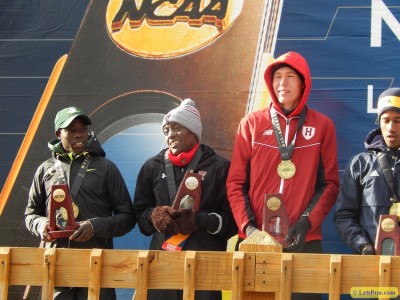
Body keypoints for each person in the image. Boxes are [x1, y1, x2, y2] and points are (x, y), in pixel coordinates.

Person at [226, 51, 339, 298]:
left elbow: (329, 184)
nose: (282, 83)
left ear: (303, 83)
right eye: (277, 76)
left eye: (290, 76)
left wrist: (307, 221)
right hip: (255, 241)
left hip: (303, 240)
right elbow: (235, 183)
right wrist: (249, 228)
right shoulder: (251, 124)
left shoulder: (322, 126)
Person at [25, 106, 136, 299]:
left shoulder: (106, 168)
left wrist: (95, 226)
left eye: (83, 129)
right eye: (72, 130)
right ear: (59, 134)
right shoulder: (45, 169)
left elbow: (127, 217)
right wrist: (40, 224)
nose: (79, 135)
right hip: (56, 266)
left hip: (96, 265)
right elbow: (31, 214)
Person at [133, 98, 237, 300]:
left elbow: (232, 222)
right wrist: (155, 216)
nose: (170, 135)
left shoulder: (220, 167)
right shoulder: (152, 167)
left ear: (193, 131)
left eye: (176, 128)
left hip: (204, 268)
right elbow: (139, 217)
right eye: (166, 130)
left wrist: (200, 220)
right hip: (162, 268)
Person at [334, 87, 400, 255]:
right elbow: (344, 216)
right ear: (379, 122)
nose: (391, 127)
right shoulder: (359, 163)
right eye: (386, 120)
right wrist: (363, 245)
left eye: (398, 120)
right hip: (369, 264)